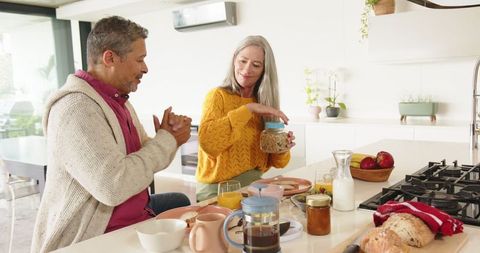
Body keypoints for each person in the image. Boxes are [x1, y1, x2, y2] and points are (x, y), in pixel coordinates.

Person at [31, 16, 192, 253]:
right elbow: (113, 186)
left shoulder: (119, 102)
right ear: (110, 58)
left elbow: (145, 162)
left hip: (135, 222)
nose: (145, 68)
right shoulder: (75, 109)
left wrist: (168, 138)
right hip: (94, 239)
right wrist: (166, 141)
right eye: (140, 60)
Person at [196, 35, 295, 202]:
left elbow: (277, 163)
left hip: (255, 186)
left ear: (264, 71)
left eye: (256, 65)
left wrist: (282, 146)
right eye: (243, 61)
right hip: (219, 190)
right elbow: (209, 143)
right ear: (234, 60)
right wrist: (248, 109)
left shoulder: (263, 102)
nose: (247, 69)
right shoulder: (217, 96)